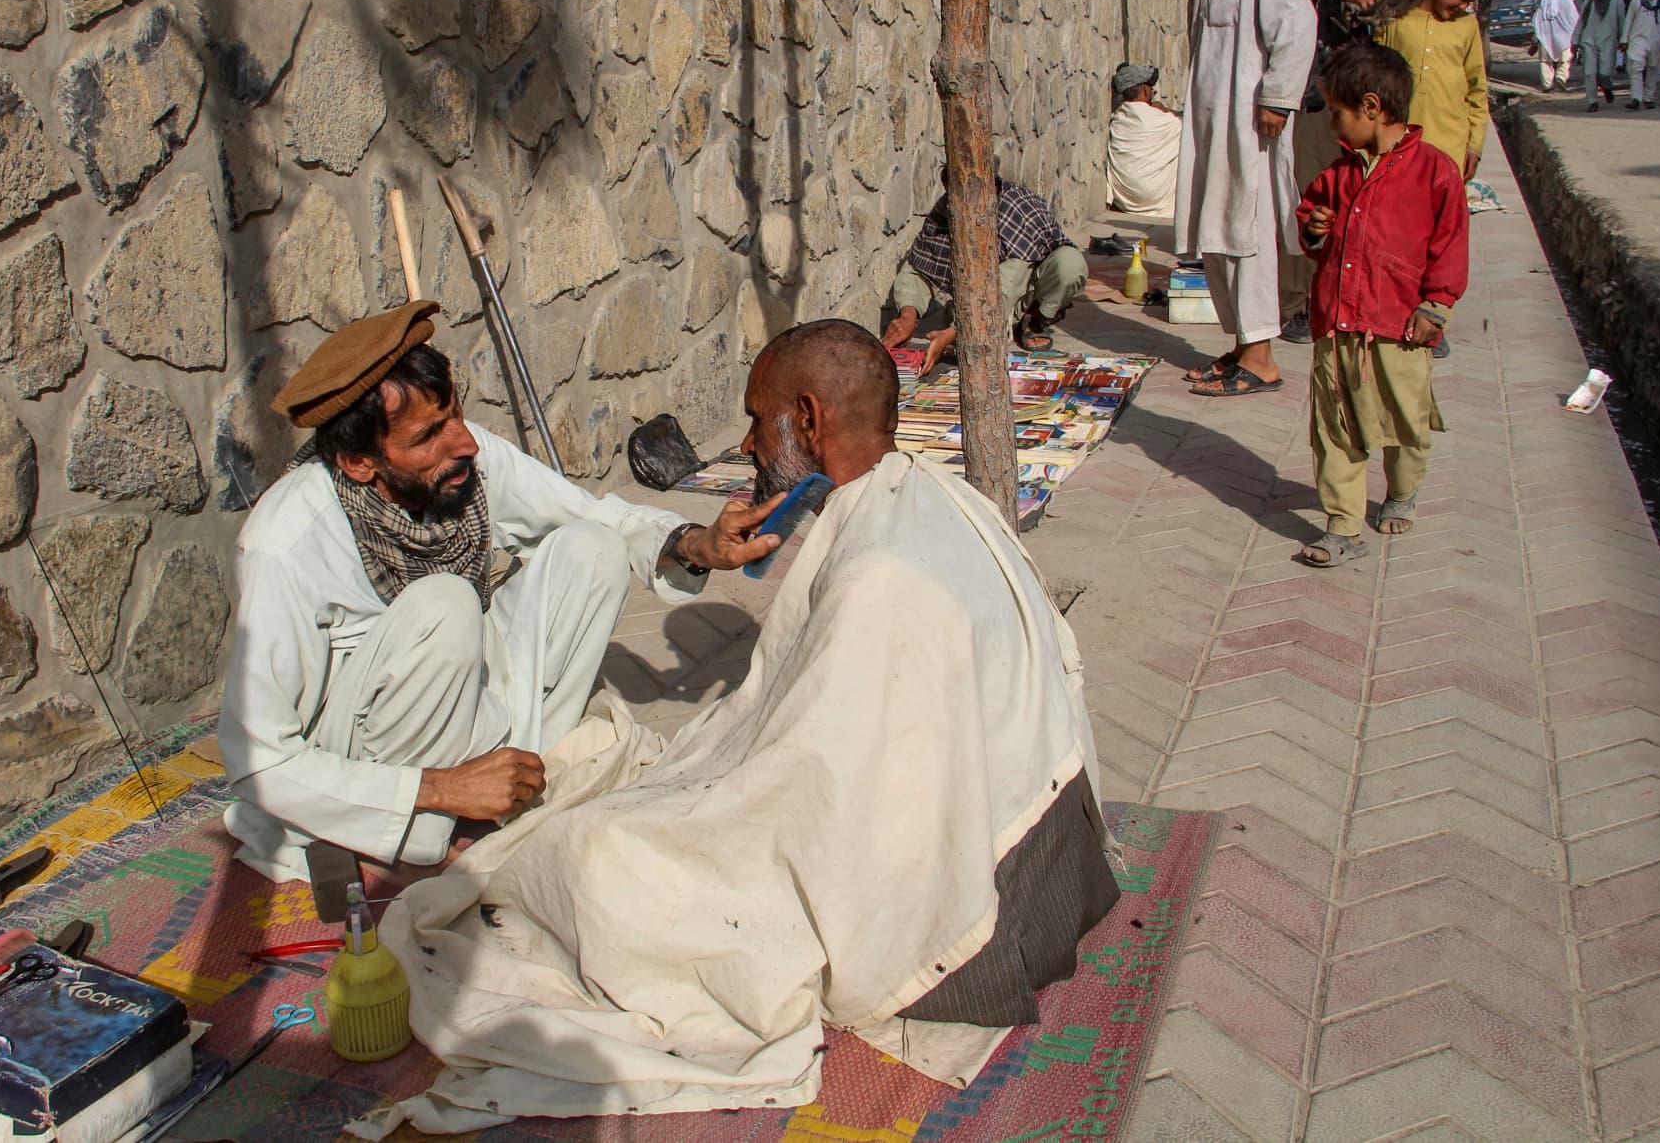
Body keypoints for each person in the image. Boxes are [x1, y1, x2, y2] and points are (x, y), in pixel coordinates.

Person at [362, 320, 1118, 1134]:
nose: (751, 442)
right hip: (1055, 853)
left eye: (759, 421)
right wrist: (700, 558)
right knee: (604, 760)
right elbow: (600, 526)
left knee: (586, 855)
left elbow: (808, 802)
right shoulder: (933, 492)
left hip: (974, 922)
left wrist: (696, 801)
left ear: (809, 418)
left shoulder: (882, 581)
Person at [216, 300, 780, 883]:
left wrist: (693, 543)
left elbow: (594, 517)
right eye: (429, 435)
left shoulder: (467, 458)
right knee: (446, 603)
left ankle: (518, 776)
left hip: (467, 703)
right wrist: (439, 788)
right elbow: (259, 759)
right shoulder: (284, 544)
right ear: (361, 463)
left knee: (592, 549)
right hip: (365, 758)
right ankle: (428, 831)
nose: (462, 442)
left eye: (454, 414)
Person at [1294, 43, 1469, 568]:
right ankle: (1342, 525)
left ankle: (1401, 490)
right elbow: (1312, 215)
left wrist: (1435, 305)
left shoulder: (1436, 172)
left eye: (1339, 114)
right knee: (1334, 427)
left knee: (1403, 423)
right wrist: (1315, 228)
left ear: (1371, 108)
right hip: (1338, 323)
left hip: (1400, 327)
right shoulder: (1337, 174)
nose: (1333, 127)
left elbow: (1450, 245)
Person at [1162, 0, 1318, 397]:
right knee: (1218, 229)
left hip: (1250, 117)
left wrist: (1276, 98)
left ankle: (1263, 358)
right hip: (1212, 120)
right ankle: (1242, 344)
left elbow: (1295, 21)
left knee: (1246, 228)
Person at [1267, 0, 1379, 346]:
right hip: (1306, 80)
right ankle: (1294, 304)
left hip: (1346, 74)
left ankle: (1339, 293)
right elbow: (1295, 0)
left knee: (1350, 187)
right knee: (1306, 191)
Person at [880, 176, 1085, 367]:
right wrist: (908, 315)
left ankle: (1033, 319)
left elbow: (1006, 285)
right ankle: (979, 321)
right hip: (983, 296)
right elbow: (917, 268)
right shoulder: (947, 208)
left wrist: (953, 333)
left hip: (1028, 291)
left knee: (1070, 266)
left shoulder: (1018, 210)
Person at [1376, 0, 1490, 179]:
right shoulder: (1396, 18)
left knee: (1442, 212)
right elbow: (1373, 75)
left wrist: (1474, 146)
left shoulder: (1467, 26)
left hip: (1450, 146)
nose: (1464, 7)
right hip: (1396, 142)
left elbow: (1476, 89)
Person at [1105, 61, 1182, 217]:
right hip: (1154, 200)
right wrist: (1168, 111)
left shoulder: (1118, 118)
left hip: (1126, 201)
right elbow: (1195, 125)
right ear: (1145, 90)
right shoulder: (1167, 122)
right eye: (1151, 89)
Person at [1572, 0, 1626, 110]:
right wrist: (1575, 40)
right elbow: (1581, 20)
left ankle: (1606, 87)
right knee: (1589, 73)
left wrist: (1623, 39)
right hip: (1588, 40)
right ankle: (1592, 102)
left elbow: (1622, 20)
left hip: (1608, 40)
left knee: (1604, 72)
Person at [1531, 0, 1580, 92]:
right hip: (1565, 36)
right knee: (1565, 60)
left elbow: (1536, 21)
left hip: (1545, 36)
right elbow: (1575, 19)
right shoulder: (1568, 1)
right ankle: (1561, 77)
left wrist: (1535, 38)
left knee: (1545, 61)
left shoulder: (1544, 1)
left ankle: (1547, 84)